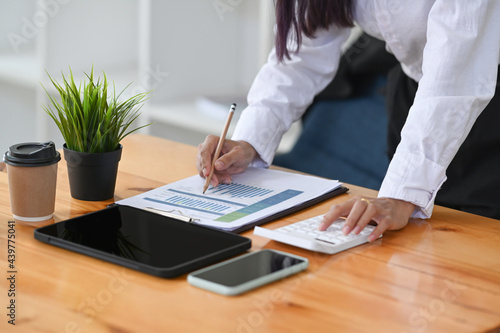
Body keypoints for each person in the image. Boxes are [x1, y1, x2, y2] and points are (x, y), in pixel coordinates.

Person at [197, 0, 500, 242]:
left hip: (482, 106)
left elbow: (456, 78)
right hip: (416, 97)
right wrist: (249, 140)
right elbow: (303, 53)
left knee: (476, 254)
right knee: (417, 247)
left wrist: (399, 196)